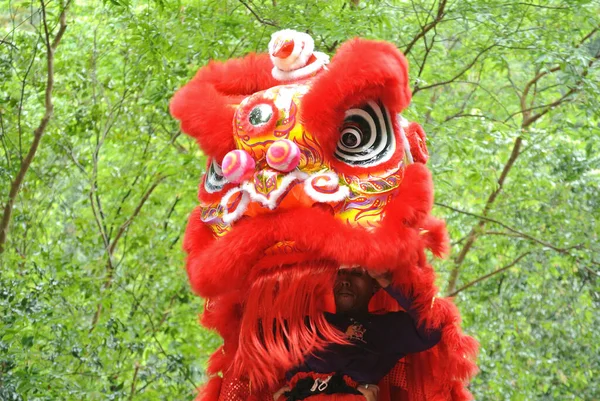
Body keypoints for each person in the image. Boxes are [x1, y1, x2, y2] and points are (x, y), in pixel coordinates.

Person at [273, 267, 442, 401]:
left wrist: (389, 281)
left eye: (356, 273)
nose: (345, 281)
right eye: (340, 272)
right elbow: (253, 334)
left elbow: (432, 329)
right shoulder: (307, 324)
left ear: (375, 284)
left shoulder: (385, 328)